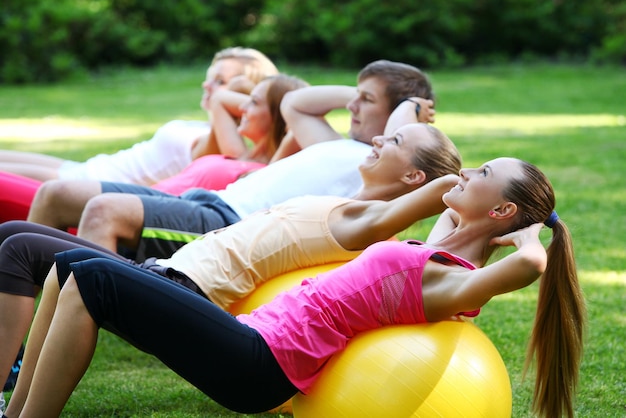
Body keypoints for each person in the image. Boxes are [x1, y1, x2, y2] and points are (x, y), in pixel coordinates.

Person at [6, 157, 585, 418]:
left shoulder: (452, 281)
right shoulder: (437, 251)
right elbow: (451, 219)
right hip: (249, 335)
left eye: (484, 174)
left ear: (504, 208)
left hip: (261, 365)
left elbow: (529, 267)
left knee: (95, 274)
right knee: (70, 265)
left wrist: (532, 236)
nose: (471, 171)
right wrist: (458, 190)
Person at [0, 122, 460, 409]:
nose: (379, 137)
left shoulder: (366, 222)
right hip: (164, 269)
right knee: (19, 240)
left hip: (186, 288)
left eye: (395, 140)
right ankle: (14, 407)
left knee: (78, 270)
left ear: (415, 179)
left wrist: (485, 188)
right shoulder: (348, 202)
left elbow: (437, 193)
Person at [27, 60, 437, 261]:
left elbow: (401, 134)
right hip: (205, 200)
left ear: (401, 114)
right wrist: (362, 89)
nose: (351, 106)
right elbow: (295, 102)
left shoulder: (386, 163)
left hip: (232, 224)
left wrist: (411, 106)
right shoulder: (337, 145)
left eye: (366, 101)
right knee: (56, 194)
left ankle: (91, 311)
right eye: (355, 96)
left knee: (102, 211)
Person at [0, 73, 308, 224]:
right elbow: (219, 101)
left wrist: (287, 109)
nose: (244, 107)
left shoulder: (268, 171)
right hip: (111, 202)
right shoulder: (243, 154)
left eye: (254, 102)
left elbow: (298, 127)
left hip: (119, 217)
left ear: (278, 115)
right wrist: (257, 101)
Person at [0, 47, 279, 185]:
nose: (209, 86)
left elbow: (236, 159)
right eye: (210, 78)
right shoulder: (207, 128)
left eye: (220, 82)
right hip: (86, 168)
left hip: (85, 185)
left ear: (244, 92)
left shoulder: (220, 143)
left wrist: (241, 95)